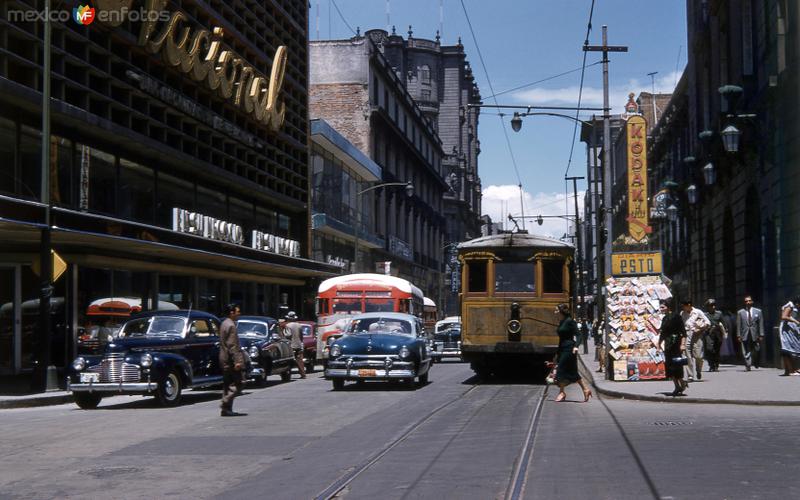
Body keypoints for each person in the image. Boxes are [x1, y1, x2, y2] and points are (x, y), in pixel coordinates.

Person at [553, 303, 592, 403]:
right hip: (563, 348)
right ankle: (586, 389)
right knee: (573, 371)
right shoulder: (561, 322)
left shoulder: (570, 321)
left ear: (561, 311)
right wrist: (557, 353)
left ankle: (562, 392)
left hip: (570, 349)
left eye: (556, 310)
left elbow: (579, 335)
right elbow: (561, 339)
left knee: (560, 370)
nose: (555, 312)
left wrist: (576, 347)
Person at [219, 303, 246, 417]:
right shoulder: (231, 326)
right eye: (237, 311)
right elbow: (232, 345)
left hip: (223, 357)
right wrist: (238, 361)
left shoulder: (224, 323)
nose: (239, 314)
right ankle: (225, 402)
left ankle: (226, 409)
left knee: (227, 384)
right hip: (230, 359)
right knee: (238, 383)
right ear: (232, 312)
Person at [659, 299, 688, 396]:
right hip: (668, 345)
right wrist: (659, 343)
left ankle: (682, 382)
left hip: (676, 344)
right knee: (669, 366)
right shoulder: (664, 318)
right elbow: (663, 333)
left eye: (663, 307)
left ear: (668, 307)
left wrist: (683, 344)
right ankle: (676, 386)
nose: (661, 309)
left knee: (677, 364)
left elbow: (683, 332)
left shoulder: (676, 316)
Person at [680, 299, 710, 381]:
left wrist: (700, 330)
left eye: (684, 305)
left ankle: (698, 370)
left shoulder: (698, 312)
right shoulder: (682, 314)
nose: (682, 307)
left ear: (689, 305)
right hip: (686, 335)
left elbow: (708, 322)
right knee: (688, 356)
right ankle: (690, 375)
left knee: (699, 356)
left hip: (697, 335)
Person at [736, 295, 765, 371]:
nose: (748, 302)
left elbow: (760, 323)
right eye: (746, 301)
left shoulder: (758, 311)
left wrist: (761, 334)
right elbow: (738, 324)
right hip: (744, 334)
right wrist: (738, 335)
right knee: (745, 350)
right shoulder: (740, 312)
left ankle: (756, 361)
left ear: (752, 302)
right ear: (744, 303)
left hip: (755, 334)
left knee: (757, 349)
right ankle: (748, 364)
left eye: (749, 301)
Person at [703, 299, 728, 372]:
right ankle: (711, 365)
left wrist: (726, 330)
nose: (713, 307)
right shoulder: (705, 315)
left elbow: (723, 323)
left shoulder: (719, 313)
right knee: (709, 349)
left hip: (718, 334)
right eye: (711, 305)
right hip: (709, 334)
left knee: (717, 350)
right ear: (708, 307)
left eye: (714, 305)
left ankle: (716, 365)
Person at [778, 295, 800, 376]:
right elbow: (784, 316)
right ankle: (793, 370)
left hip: (792, 330)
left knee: (793, 348)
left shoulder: (795, 307)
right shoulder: (790, 305)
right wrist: (795, 321)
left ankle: (790, 370)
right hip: (786, 330)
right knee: (788, 348)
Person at [283, 311, 306, 379]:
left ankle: (288, 374)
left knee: (290, 360)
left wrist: (284, 333)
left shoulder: (288, 325)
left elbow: (288, 335)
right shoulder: (299, 325)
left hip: (291, 345)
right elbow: (301, 336)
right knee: (300, 360)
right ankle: (303, 374)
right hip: (298, 344)